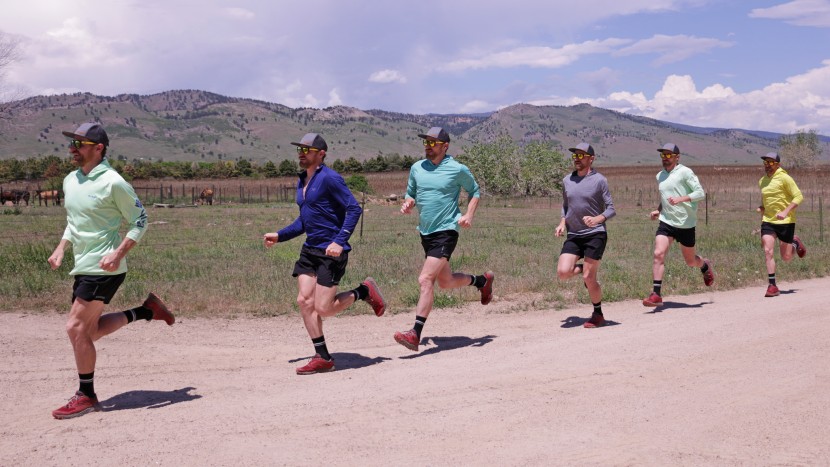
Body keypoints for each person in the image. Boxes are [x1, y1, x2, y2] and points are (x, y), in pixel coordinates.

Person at [48, 123, 175, 420]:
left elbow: (140, 220)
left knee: (75, 328)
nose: (73, 148)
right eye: (73, 143)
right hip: (84, 265)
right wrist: (61, 247)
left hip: (104, 268)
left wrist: (118, 253)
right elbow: (75, 221)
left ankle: (86, 395)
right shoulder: (71, 180)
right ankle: (146, 311)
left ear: (98, 148)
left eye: (79, 143)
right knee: (89, 330)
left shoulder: (114, 182)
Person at [263, 133, 386, 375]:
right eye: (300, 148)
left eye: (307, 149)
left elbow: (353, 209)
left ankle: (364, 291)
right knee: (304, 301)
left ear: (321, 154)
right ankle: (323, 357)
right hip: (310, 250)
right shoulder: (302, 180)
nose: (301, 152)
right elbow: (305, 220)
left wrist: (340, 241)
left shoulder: (330, 178)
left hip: (331, 252)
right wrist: (280, 235)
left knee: (325, 308)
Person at [395, 127, 494, 352]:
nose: (429, 147)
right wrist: (408, 202)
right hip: (426, 231)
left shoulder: (457, 169)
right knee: (445, 281)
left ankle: (415, 333)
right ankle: (481, 281)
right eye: (426, 143)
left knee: (425, 279)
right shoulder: (417, 168)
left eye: (433, 143)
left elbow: (475, 191)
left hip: (447, 230)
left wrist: (468, 214)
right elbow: (410, 192)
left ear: (445, 146)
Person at [643, 143, 714, 307]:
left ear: (677, 157)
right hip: (667, 222)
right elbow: (665, 197)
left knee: (690, 262)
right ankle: (656, 294)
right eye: (663, 155)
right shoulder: (660, 175)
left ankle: (704, 265)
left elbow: (700, 193)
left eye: (669, 155)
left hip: (686, 223)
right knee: (658, 253)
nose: (665, 158)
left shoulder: (685, 172)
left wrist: (681, 199)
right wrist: (658, 210)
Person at [555, 143, 616, 328]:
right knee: (563, 273)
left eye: (581, 156)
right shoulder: (567, 180)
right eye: (575, 156)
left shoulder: (600, 180)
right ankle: (584, 268)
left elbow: (611, 209)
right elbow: (566, 205)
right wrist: (562, 222)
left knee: (589, 279)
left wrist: (598, 219)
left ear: (591, 158)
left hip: (595, 234)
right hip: (574, 234)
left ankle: (598, 314)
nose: (577, 159)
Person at [757, 151, 806, 297]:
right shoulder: (762, 181)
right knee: (768, 250)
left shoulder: (785, 178)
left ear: (777, 164)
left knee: (786, 257)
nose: (767, 165)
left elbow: (799, 196)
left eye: (770, 162)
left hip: (785, 221)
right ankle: (772, 286)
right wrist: (762, 208)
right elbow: (769, 199)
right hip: (768, 220)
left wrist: (785, 211)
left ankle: (795, 243)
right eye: (765, 162)